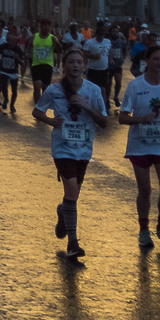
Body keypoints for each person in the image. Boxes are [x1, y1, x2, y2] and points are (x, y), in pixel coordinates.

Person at [32, 48, 108, 258]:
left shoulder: (93, 91)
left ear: (85, 66)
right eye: (71, 62)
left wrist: (86, 106)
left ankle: (62, 212)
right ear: (64, 66)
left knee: (72, 195)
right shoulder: (54, 90)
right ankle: (73, 243)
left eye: (79, 62)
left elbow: (104, 122)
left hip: (83, 149)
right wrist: (50, 121)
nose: (75, 65)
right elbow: (37, 111)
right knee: (73, 192)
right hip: (62, 148)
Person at [119, 44, 160, 248]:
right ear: (147, 61)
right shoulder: (135, 86)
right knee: (145, 190)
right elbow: (122, 118)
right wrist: (141, 119)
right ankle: (143, 229)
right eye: (155, 59)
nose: (159, 63)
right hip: (140, 144)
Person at [82, 22, 112, 111]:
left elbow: (110, 51)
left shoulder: (107, 42)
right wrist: (94, 56)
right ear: (96, 35)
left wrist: (111, 59)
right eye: (99, 35)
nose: (101, 37)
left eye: (102, 35)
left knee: (103, 88)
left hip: (104, 69)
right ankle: (91, 106)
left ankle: (104, 106)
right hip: (93, 69)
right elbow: (84, 52)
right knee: (93, 89)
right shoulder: (90, 42)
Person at [29, 18, 59, 103]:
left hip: (47, 66)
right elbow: (29, 46)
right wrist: (27, 54)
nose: (46, 27)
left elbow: (59, 48)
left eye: (48, 25)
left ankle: (43, 108)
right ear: (41, 26)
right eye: (44, 25)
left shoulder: (52, 38)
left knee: (45, 89)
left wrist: (56, 42)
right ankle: (38, 107)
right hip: (36, 65)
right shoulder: (35, 36)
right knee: (37, 86)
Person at [0, 34, 24, 113]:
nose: (10, 42)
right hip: (4, 70)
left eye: (12, 41)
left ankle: (12, 105)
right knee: (4, 87)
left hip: (13, 71)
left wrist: (18, 59)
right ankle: (6, 99)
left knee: (14, 90)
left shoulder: (17, 49)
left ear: (15, 41)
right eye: (8, 40)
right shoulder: (3, 46)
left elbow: (23, 63)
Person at [107, 27, 127, 107]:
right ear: (110, 32)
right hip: (108, 66)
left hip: (118, 65)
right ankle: (107, 99)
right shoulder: (107, 42)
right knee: (108, 84)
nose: (115, 33)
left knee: (118, 82)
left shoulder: (121, 42)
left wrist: (123, 58)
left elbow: (124, 51)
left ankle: (116, 97)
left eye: (116, 32)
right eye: (113, 32)